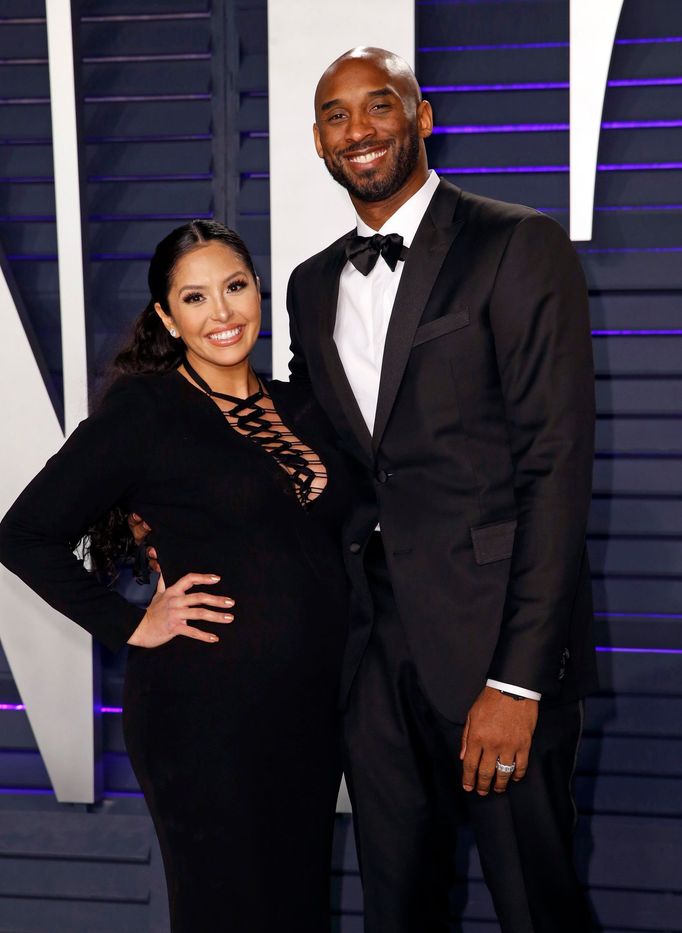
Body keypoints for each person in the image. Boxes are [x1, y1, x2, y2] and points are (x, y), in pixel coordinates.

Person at [285, 47, 598, 932]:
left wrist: (520, 683)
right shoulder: (311, 285)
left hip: (496, 649)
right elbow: (317, 454)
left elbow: (556, 468)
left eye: (379, 106)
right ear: (318, 140)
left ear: (422, 118)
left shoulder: (515, 241)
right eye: (337, 116)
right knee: (398, 910)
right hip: (374, 656)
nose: (359, 130)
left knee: (537, 904)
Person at [0, 221, 355, 933]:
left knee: (299, 912)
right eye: (195, 298)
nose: (221, 314)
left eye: (233, 287)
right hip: (203, 717)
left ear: (257, 288)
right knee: (227, 913)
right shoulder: (149, 409)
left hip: (309, 712)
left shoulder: (305, 404)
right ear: (167, 316)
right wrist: (134, 622)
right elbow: (24, 534)